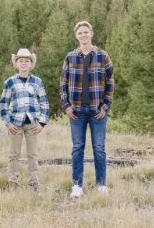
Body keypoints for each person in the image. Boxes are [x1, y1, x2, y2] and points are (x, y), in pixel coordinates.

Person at [60, 21, 114, 198]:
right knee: (78, 147)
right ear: (76, 36)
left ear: (91, 34)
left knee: (99, 147)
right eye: (80, 33)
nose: (83, 35)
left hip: (97, 110)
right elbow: (63, 84)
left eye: (86, 32)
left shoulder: (103, 56)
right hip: (76, 111)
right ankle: (77, 185)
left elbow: (110, 83)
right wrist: (66, 105)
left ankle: (101, 185)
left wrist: (105, 106)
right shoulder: (70, 57)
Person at [0, 48, 50, 192]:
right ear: (16, 64)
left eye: (27, 61)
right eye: (21, 61)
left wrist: (41, 122)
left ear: (31, 64)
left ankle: (34, 182)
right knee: (13, 154)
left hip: (33, 124)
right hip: (15, 123)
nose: (24, 64)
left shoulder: (37, 82)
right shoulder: (10, 82)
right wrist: (8, 122)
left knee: (32, 154)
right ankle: (13, 182)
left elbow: (44, 103)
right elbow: (3, 103)